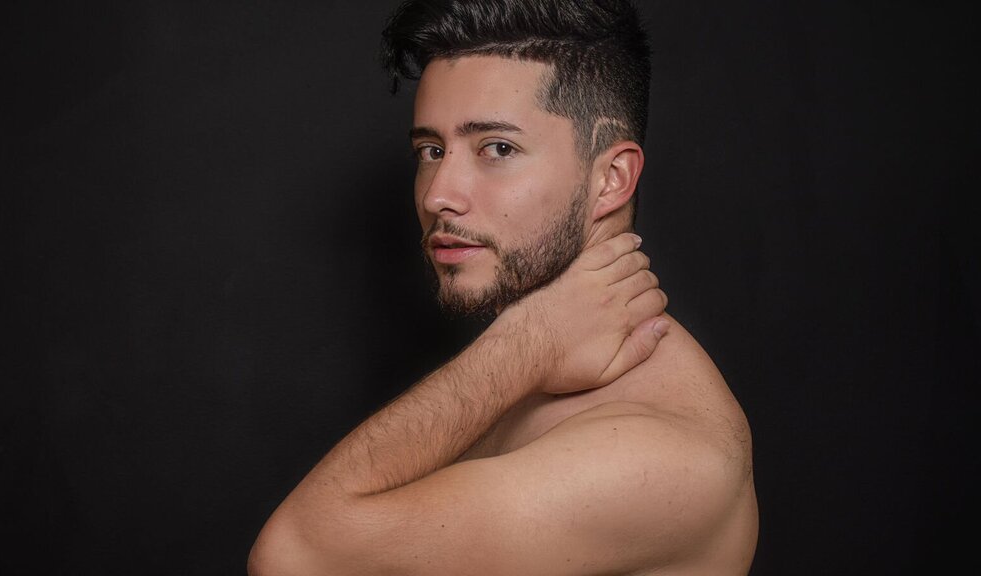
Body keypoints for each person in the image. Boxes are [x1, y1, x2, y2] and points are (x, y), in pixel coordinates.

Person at [248, 0, 758, 574]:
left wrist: (524, 348)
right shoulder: (534, 364)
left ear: (611, 179)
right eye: (431, 151)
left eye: (497, 148)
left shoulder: (658, 455)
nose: (438, 194)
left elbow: (294, 554)